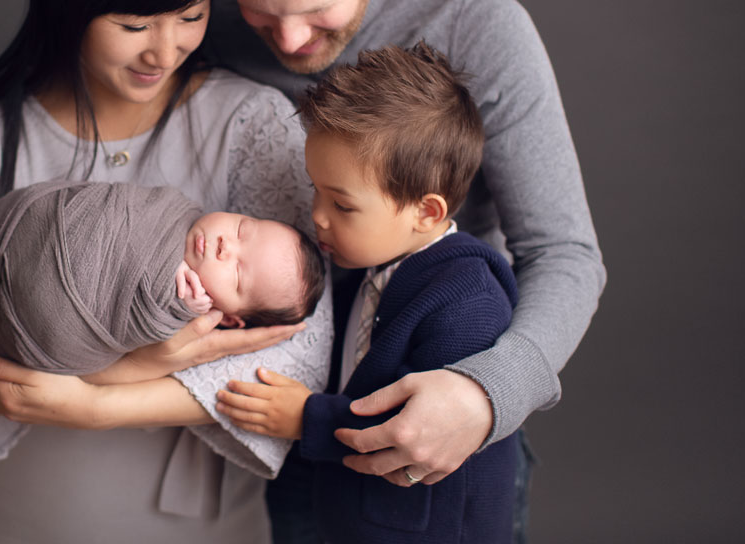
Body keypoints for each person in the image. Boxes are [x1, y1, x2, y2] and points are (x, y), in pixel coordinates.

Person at [0, 0, 333, 543]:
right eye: (134, 26)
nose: (164, 51)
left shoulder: (254, 126)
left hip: (201, 522)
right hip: (33, 511)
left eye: (190, 17)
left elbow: (301, 348)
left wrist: (100, 400)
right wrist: (135, 367)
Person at [218, 44, 520, 542]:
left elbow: (417, 426)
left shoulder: (467, 303)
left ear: (426, 212)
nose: (317, 214)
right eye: (316, 189)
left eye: (342, 204)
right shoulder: (375, 265)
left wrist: (306, 417)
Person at [0, 179, 326, 374]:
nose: (228, 246)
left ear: (226, 317)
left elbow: (146, 329)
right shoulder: (171, 208)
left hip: (30, 319)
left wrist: (178, 309)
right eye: (244, 228)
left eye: (238, 275)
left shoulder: (183, 305)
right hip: (12, 232)